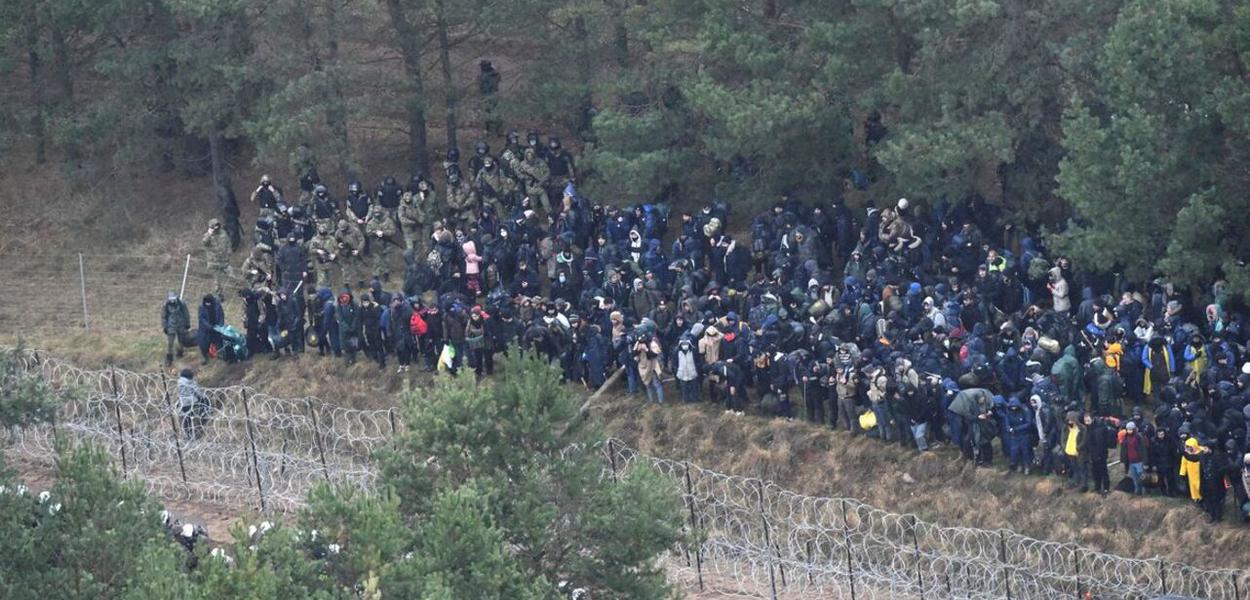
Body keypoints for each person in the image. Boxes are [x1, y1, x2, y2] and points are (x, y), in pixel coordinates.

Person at [201, 218, 233, 297]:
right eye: (214, 226)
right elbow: (204, 243)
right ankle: (219, 295)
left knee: (232, 276)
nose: (216, 227)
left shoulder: (223, 233)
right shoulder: (207, 235)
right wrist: (209, 234)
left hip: (224, 260)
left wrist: (229, 250)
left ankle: (239, 290)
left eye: (217, 225)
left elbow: (228, 242)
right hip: (214, 262)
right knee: (217, 281)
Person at [177, 368, 210, 440]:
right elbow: (197, 392)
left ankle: (188, 433)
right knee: (204, 404)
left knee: (187, 418)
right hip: (193, 402)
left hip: (184, 403)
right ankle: (205, 415)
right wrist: (203, 397)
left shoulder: (179, 382)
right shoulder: (191, 382)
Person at [161, 292, 191, 368]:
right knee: (170, 343)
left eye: (173, 299)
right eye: (171, 299)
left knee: (181, 341)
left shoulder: (182, 304)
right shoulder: (165, 305)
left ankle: (180, 354)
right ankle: (169, 358)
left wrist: (187, 323)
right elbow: (163, 317)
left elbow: (186, 314)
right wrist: (165, 327)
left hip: (181, 325)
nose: (172, 301)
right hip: (171, 326)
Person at [634, 334, 664, 404]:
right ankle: (652, 402)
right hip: (643, 368)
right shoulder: (637, 344)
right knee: (648, 385)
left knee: (656, 384)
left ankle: (661, 402)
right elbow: (634, 355)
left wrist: (646, 349)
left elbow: (654, 355)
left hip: (653, 366)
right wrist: (638, 350)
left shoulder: (652, 344)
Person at [478, 60, 502, 135]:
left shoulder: (489, 75)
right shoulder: (493, 74)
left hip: (490, 95)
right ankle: (492, 130)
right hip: (490, 95)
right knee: (490, 113)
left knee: (492, 113)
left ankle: (494, 130)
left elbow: (487, 86)